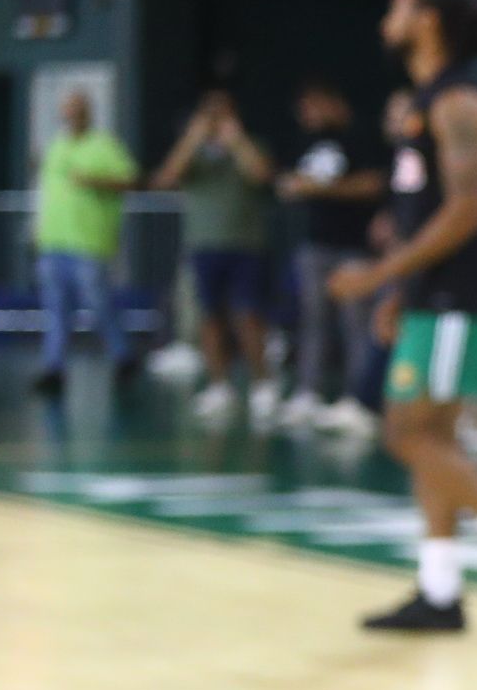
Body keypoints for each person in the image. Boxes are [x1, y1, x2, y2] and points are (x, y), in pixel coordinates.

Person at [326, 0, 477, 632]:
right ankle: (440, 592)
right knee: (431, 439)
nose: (387, 18)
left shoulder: (459, 103)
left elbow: (469, 210)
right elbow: (426, 211)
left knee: (407, 433)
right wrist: (401, 292)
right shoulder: (428, 101)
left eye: (397, 7)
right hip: (435, 294)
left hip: (462, 293)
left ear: (427, 22)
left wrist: (378, 274)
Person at [150, 89, 279, 425]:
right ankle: (219, 385)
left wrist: (236, 140)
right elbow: (166, 177)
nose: (216, 119)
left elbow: (261, 175)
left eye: (222, 113)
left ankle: (262, 384)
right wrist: (192, 138)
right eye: (210, 113)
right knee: (209, 317)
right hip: (204, 246)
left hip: (246, 245)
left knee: (248, 315)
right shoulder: (195, 153)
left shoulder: (250, 145)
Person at [275, 80, 387, 435]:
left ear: (332, 102)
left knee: (357, 323)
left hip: (354, 245)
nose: (307, 114)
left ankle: (359, 398)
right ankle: (307, 392)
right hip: (314, 244)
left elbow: (373, 183)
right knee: (313, 319)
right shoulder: (306, 140)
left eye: (313, 105)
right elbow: (286, 180)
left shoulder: (360, 137)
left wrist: (321, 188)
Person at [30, 90, 139, 394]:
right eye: (67, 109)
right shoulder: (56, 146)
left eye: (77, 108)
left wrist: (95, 181)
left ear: (88, 112)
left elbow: (130, 179)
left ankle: (123, 355)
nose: (71, 115)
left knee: (98, 303)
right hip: (53, 241)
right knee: (55, 308)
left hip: (89, 241)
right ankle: (54, 367)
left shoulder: (104, 145)